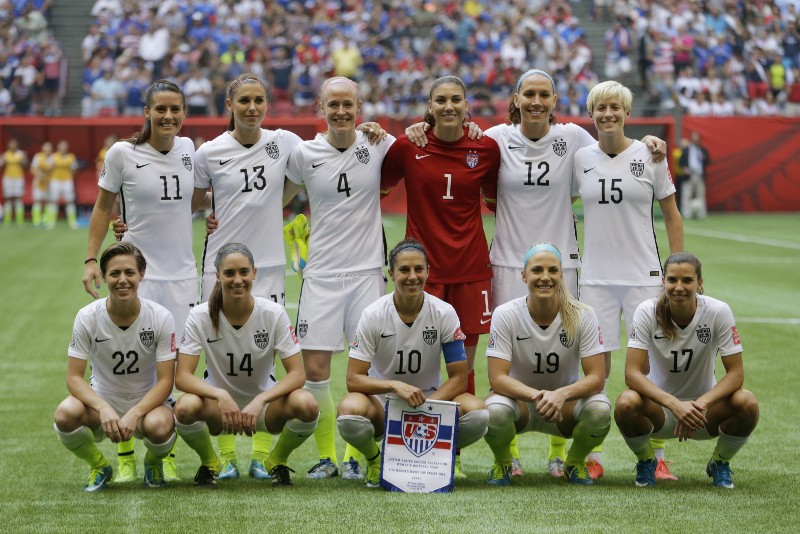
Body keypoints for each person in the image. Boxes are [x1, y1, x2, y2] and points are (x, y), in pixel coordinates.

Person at [405, 69, 669, 479]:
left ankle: (560, 452)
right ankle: (507, 458)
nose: (536, 101)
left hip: (563, 264)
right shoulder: (492, 138)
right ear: (516, 98)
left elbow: (615, 146)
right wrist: (420, 126)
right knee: (507, 358)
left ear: (554, 100)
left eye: (544, 94)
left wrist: (650, 143)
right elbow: (452, 135)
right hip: (508, 264)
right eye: (529, 93)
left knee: (565, 354)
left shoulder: (575, 139)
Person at [82, 80, 209, 483]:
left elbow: (189, 199)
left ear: (184, 113)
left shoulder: (190, 151)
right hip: (136, 277)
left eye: (176, 109)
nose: (169, 117)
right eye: (161, 109)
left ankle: (161, 455)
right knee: (129, 367)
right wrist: (90, 259)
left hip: (183, 277)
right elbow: (103, 207)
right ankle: (123, 456)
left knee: (168, 372)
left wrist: (209, 211)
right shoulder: (122, 153)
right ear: (147, 112)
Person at [193, 73, 304, 481]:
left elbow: (293, 183)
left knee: (267, 352)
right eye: (244, 101)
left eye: (259, 100)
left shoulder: (284, 142)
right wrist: (210, 210)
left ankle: (259, 454)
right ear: (229, 104)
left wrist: (270, 205)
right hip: (217, 267)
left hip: (269, 264)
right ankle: (223, 456)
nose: (252, 108)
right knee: (217, 351)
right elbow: (192, 198)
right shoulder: (209, 152)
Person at [284, 76, 394, 480]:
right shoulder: (304, 153)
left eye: (349, 104)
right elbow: (274, 198)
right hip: (321, 274)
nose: (342, 112)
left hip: (367, 272)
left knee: (364, 368)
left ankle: (354, 456)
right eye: (334, 105)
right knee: (315, 369)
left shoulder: (378, 143)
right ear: (321, 107)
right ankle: (328, 457)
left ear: (360, 106)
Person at [575, 80, 684, 478]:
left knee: (653, 367)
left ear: (626, 112)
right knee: (595, 373)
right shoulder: (579, 157)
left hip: (645, 277)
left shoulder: (650, 154)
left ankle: (653, 458)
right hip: (596, 279)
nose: (608, 114)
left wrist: (679, 268)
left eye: (615, 107)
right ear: (591, 114)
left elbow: (671, 214)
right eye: (600, 108)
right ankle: (593, 456)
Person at [381, 75, 500, 401]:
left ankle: (456, 446)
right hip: (421, 272)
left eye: (455, 100)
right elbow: (374, 187)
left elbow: (499, 199)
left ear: (466, 106)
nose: (449, 106)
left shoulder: (486, 148)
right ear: (430, 107)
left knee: (465, 367)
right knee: (416, 359)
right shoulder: (408, 146)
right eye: (442, 100)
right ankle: (408, 441)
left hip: (471, 269)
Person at [337, 239, 489, 487]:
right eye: (404, 270)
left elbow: (459, 377)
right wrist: (395, 386)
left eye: (419, 269)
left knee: (478, 413)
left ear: (428, 271)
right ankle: (376, 461)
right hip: (384, 401)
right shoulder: (373, 314)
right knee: (349, 411)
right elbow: (353, 379)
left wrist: (428, 408)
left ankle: (434, 461)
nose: (412, 277)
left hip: (429, 398)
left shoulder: (444, 312)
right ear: (391, 274)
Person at [174, 243, 319, 487]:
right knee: (185, 407)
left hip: (263, 410)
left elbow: (297, 375)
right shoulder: (200, 315)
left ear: (254, 272)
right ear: (217, 275)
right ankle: (210, 463)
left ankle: (276, 461)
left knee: (307, 404)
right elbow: (183, 377)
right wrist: (220, 394)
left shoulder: (273, 313)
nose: (237, 280)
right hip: (219, 410)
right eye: (229, 273)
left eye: (243, 272)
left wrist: (261, 400)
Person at [615, 252, 759, 488]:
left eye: (687, 280)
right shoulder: (646, 311)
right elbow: (632, 374)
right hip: (660, 411)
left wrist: (700, 404)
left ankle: (720, 462)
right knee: (625, 403)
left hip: (702, 414)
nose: (678, 287)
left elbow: (736, 374)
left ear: (699, 283)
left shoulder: (718, 311)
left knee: (747, 402)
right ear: (663, 281)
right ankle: (647, 461)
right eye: (672, 280)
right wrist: (674, 404)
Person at [53, 242, 177, 491]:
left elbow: (166, 381)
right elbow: (74, 379)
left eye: (130, 273)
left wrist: (135, 412)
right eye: (114, 273)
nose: (123, 280)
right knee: (64, 415)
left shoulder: (160, 317)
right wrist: (103, 408)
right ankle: (99, 466)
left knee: (161, 427)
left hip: (147, 405)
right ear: (104, 276)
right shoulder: (87, 316)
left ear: (141, 274)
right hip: (102, 404)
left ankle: (153, 462)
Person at [484, 243, 610, 486]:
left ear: (562, 275)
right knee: (492, 411)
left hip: (563, 408)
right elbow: (497, 378)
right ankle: (503, 463)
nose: (545, 277)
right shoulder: (506, 314)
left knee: (600, 409)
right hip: (520, 404)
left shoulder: (583, 314)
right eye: (537, 270)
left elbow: (597, 377)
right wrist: (539, 396)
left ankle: (574, 462)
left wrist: (560, 395)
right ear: (524, 275)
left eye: (553, 270)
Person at [678, 131, 710, 220]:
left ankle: (701, 213)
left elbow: (708, 161)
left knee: (701, 195)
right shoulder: (686, 150)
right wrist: (685, 169)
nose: (695, 140)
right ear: (691, 139)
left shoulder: (703, 150)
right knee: (686, 194)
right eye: (694, 138)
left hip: (699, 175)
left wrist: (704, 158)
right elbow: (681, 162)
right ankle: (686, 213)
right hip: (689, 175)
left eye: (697, 139)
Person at [48, 140, 78, 229]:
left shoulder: (71, 157)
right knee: (54, 201)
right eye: (61, 146)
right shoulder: (53, 156)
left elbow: (74, 169)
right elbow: (49, 168)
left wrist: (69, 176)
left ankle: (72, 222)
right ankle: (51, 222)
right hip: (55, 181)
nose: (63, 148)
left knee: (69, 201)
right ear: (58, 147)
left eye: (64, 146)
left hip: (67, 181)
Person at [1, 138, 28, 226]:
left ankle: (19, 219)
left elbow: (26, 166)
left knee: (18, 198)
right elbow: (2, 167)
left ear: (17, 145)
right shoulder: (5, 155)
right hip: (8, 178)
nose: (13, 146)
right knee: (8, 198)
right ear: (8, 145)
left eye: (14, 144)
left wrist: (23, 161)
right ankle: (7, 219)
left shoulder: (21, 154)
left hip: (18, 178)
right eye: (11, 144)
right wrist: (3, 161)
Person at [30, 141, 53, 227]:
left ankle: (48, 219)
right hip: (39, 181)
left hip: (49, 182)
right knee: (38, 200)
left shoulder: (53, 157)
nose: (47, 149)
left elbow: (53, 169)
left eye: (49, 148)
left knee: (48, 201)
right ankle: (36, 220)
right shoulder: (38, 156)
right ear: (43, 148)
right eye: (46, 147)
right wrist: (39, 175)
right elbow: (33, 168)